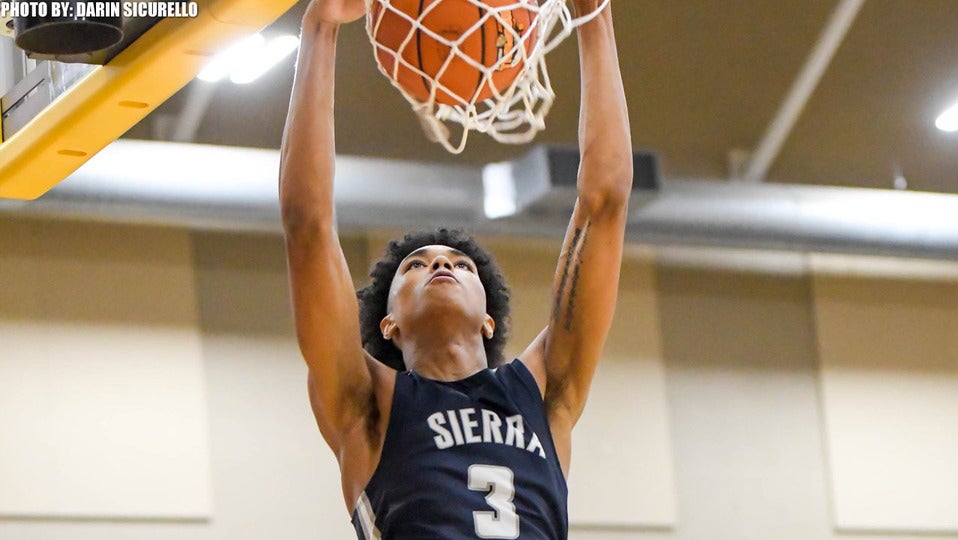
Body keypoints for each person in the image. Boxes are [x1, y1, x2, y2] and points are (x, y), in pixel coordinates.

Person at [279, 0, 632, 537]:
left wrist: (594, 17)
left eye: (460, 263)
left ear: (488, 320)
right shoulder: (367, 405)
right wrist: (320, 27)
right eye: (415, 266)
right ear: (388, 323)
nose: (440, 263)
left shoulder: (543, 392)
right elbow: (308, 226)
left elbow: (603, 204)